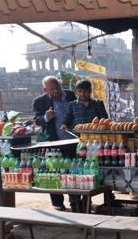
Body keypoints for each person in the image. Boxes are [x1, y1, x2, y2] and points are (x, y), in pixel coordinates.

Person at [60, 80, 108, 212]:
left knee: (95, 170)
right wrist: (64, 125)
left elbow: (105, 119)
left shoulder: (98, 104)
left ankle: (91, 200)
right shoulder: (71, 105)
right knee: (80, 171)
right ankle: (75, 203)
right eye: (80, 91)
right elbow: (67, 119)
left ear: (90, 91)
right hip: (79, 143)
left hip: (96, 143)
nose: (83, 94)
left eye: (86, 91)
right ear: (76, 92)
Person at [33, 76, 76, 211]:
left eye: (57, 86)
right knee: (54, 171)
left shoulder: (70, 94)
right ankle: (57, 203)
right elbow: (37, 120)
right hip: (53, 143)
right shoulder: (39, 102)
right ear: (45, 90)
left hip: (73, 140)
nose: (56, 90)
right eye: (52, 88)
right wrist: (46, 117)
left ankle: (75, 200)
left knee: (74, 171)